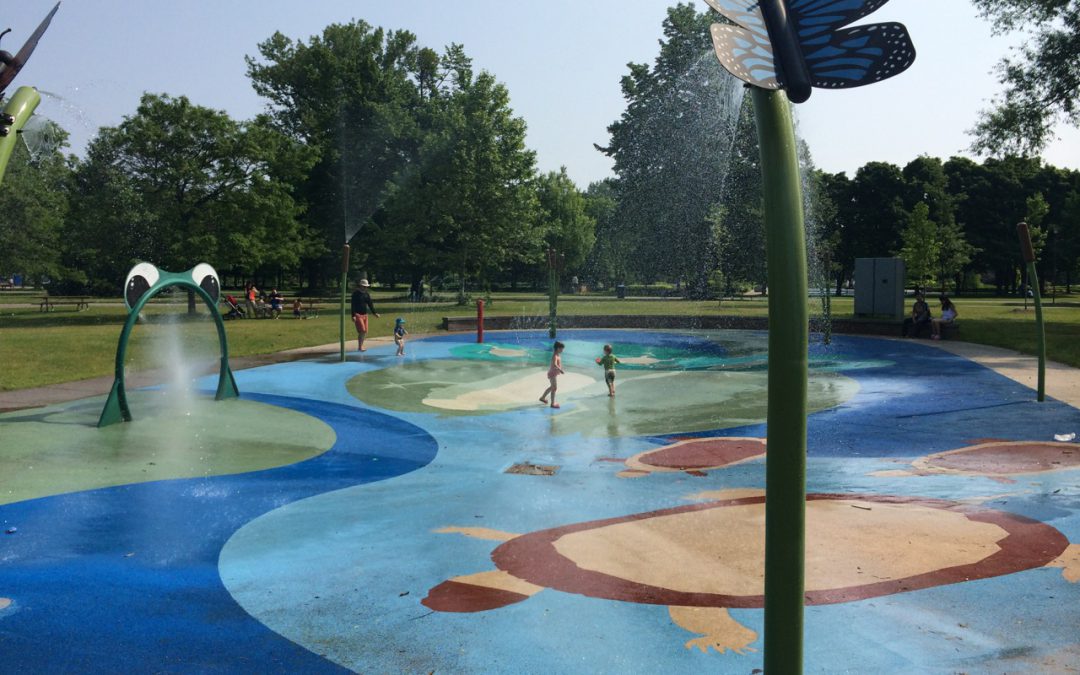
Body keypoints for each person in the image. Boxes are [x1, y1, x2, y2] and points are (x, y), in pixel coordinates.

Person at [350, 279, 380, 351]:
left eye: (366, 287)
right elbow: (353, 305)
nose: (365, 288)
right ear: (360, 286)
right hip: (358, 314)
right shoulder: (355, 294)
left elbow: (370, 304)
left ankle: (361, 346)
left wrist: (374, 313)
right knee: (362, 330)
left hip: (365, 315)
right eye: (364, 286)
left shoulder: (366, 294)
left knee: (365, 331)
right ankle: (360, 347)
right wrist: (353, 315)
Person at [539, 341, 566, 409]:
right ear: (558, 348)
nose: (563, 350)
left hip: (553, 374)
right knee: (554, 388)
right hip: (552, 374)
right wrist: (560, 370)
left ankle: (542, 398)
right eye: (562, 349)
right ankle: (552, 403)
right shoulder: (555, 355)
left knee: (552, 387)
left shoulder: (557, 355)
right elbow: (554, 364)